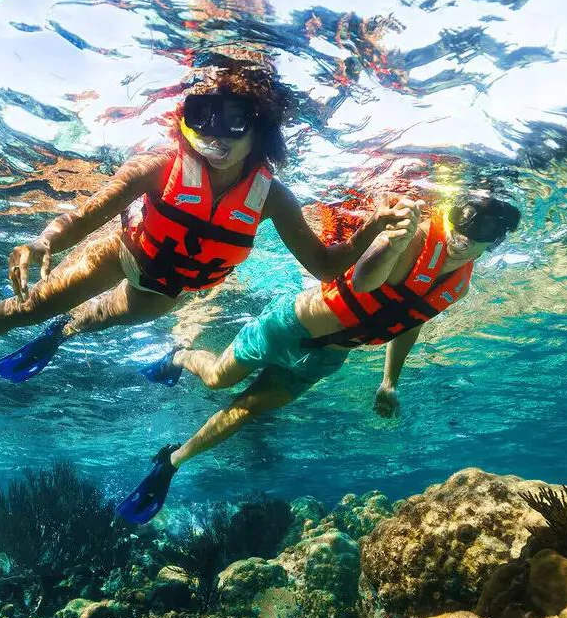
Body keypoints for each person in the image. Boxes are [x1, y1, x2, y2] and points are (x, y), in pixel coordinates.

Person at [0, 63, 413, 439]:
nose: (214, 133)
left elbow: (323, 267)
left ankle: (62, 334)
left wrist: (368, 237)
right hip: (123, 255)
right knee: (28, 305)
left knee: (92, 321)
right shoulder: (159, 165)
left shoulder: (271, 196)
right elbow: (89, 211)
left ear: (260, 129)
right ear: (184, 122)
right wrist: (44, 240)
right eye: (200, 116)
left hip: (170, 290)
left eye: (233, 121)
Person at [117, 193, 521, 523]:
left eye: (482, 230)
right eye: (459, 221)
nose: (464, 236)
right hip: (288, 328)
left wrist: (389, 381)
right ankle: (181, 354)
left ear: (495, 240)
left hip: (328, 359)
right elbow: (364, 281)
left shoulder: (459, 287)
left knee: (244, 412)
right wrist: (392, 243)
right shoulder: (411, 237)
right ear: (448, 216)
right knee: (218, 379)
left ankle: (171, 463)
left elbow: (408, 321)